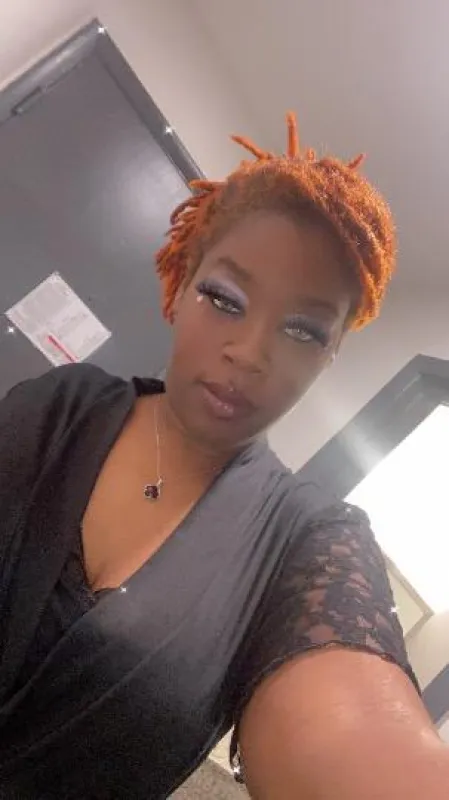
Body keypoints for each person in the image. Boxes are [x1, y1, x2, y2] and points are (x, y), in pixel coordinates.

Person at [0, 113, 447, 800]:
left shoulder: (305, 541)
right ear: (180, 286)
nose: (250, 352)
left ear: (329, 354)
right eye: (225, 299)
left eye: (303, 331)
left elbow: (353, 727)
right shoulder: (64, 404)